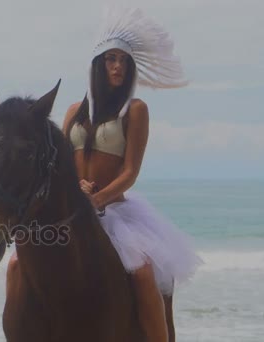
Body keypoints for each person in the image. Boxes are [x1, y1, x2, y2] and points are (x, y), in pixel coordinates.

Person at [62, 6, 202, 342]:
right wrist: (73, 186)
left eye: (124, 61)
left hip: (115, 210)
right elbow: (62, 163)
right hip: (72, 211)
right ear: (98, 64)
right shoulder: (72, 111)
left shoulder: (135, 110)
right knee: (19, 265)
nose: (118, 67)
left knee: (142, 273)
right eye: (111, 59)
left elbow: (130, 171)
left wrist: (96, 199)